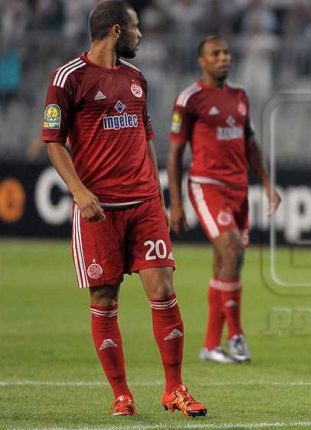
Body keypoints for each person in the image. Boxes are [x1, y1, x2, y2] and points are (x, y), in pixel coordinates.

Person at [41, 0, 207, 418]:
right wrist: (79, 192)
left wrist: (159, 197)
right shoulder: (68, 78)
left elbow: (146, 138)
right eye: (136, 27)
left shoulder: (136, 79)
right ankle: (121, 394)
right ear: (116, 30)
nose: (140, 35)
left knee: (164, 290)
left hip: (144, 204)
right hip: (100, 208)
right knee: (104, 296)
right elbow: (53, 142)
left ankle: (175, 389)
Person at [167, 36, 280, 364]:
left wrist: (267, 184)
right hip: (207, 186)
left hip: (238, 188)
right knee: (231, 250)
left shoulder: (240, 96)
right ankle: (236, 335)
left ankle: (210, 346)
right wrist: (176, 204)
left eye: (227, 52)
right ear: (202, 61)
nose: (223, 58)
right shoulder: (190, 99)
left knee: (226, 263)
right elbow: (174, 153)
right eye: (215, 54)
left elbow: (250, 144)